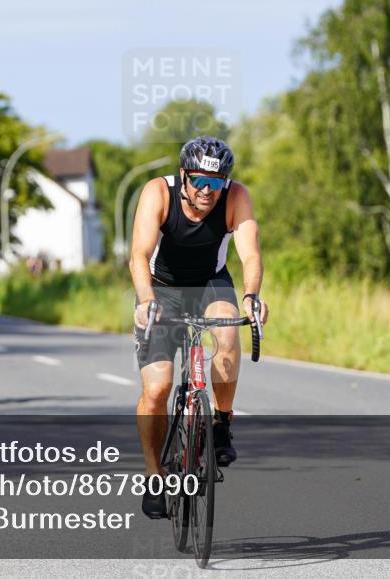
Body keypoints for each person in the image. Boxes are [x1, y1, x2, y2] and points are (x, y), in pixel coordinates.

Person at [129, 136, 269, 519]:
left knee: (227, 334)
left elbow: (250, 254)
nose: (208, 191)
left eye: (217, 182)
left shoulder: (235, 196)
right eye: (200, 182)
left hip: (211, 281)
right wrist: (145, 299)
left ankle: (221, 423)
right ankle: (154, 474)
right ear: (183, 176)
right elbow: (139, 255)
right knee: (157, 388)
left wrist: (252, 296)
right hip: (161, 288)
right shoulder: (158, 192)